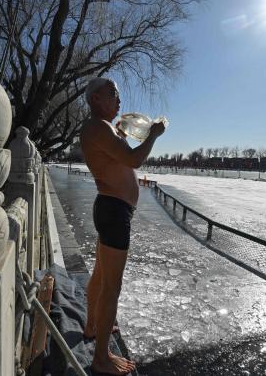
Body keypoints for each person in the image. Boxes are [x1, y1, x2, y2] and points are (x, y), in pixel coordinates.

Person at [80, 78, 165, 375]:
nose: (119, 100)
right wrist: (153, 135)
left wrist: (126, 136)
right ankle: (101, 359)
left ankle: (92, 325)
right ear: (96, 99)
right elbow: (134, 160)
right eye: (113, 94)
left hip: (111, 209)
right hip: (114, 212)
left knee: (101, 275)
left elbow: (121, 159)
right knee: (111, 287)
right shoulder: (97, 127)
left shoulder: (100, 128)